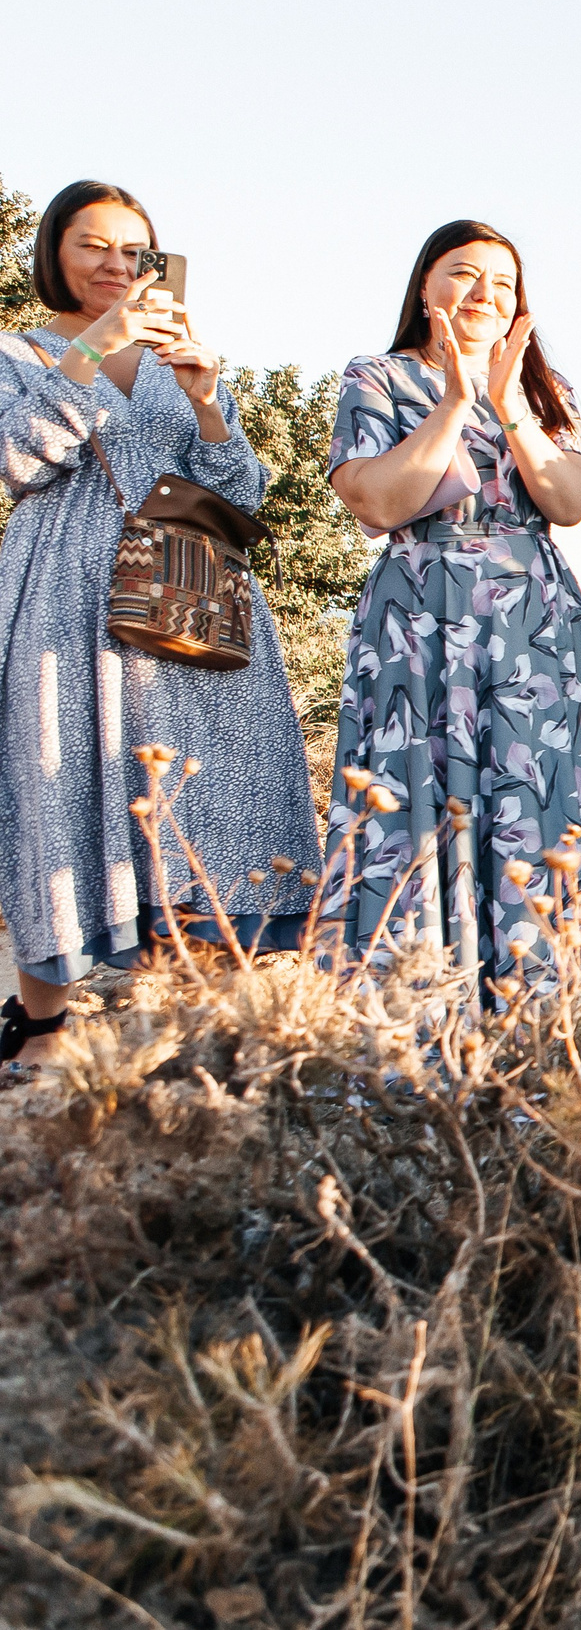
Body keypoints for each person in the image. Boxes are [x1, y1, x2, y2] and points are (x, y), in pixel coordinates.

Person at [0, 180, 321, 1058]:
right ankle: (46, 1023)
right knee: (60, 774)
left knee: (204, 784)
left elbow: (240, 492)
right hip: (66, 591)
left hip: (191, 582)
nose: (114, 263)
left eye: (132, 248)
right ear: (54, 254)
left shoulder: (182, 356)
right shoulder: (15, 349)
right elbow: (17, 459)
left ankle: (188, 1007)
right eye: (92, 244)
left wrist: (209, 398)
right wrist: (96, 349)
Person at [325, 220, 581, 992]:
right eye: (465, 275)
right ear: (426, 285)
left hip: (530, 624)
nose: (483, 294)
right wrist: (454, 402)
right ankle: (422, 1004)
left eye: (503, 283)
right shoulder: (378, 377)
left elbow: (569, 503)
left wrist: (507, 405)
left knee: (543, 796)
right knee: (416, 799)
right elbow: (377, 499)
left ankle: (550, 1003)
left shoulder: (546, 389)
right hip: (420, 615)